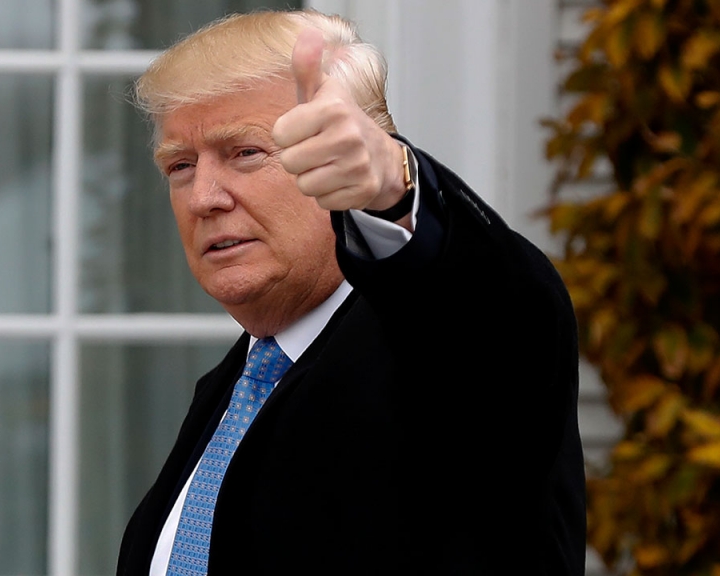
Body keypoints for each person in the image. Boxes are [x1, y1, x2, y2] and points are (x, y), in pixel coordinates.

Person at [117, 8, 585, 576]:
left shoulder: (441, 351)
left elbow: (500, 306)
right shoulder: (236, 386)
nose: (203, 197)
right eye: (181, 166)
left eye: (246, 153)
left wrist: (396, 187)